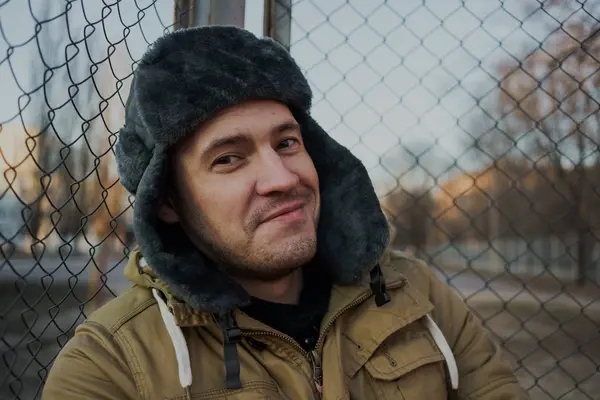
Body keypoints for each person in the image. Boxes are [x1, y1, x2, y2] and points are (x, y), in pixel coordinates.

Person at [43, 26, 529, 400]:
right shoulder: (112, 364)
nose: (282, 177)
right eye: (229, 158)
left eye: (287, 142)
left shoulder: (419, 297)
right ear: (167, 202)